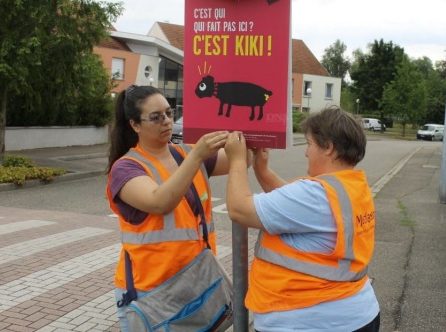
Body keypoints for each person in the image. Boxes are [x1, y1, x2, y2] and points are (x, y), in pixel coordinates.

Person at [224, 106, 380, 332]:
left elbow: (239, 210)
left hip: (310, 319)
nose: (306, 152)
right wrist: (263, 169)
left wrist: (236, 160)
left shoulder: (316, 195)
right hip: (350, 313)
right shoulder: (347, 187)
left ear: (328, 148)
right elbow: (293, 208)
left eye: (309, 144)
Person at [106, 85, 230, 331]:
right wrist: (196, 157)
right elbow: (159, 202)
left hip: (195, 282)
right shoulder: (126, 168)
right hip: (151, 292)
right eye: (156, 117)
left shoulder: (183, 154)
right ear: (135, 125)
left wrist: (256, 140)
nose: (166, 121)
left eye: (169, 113)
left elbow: (237, 159)